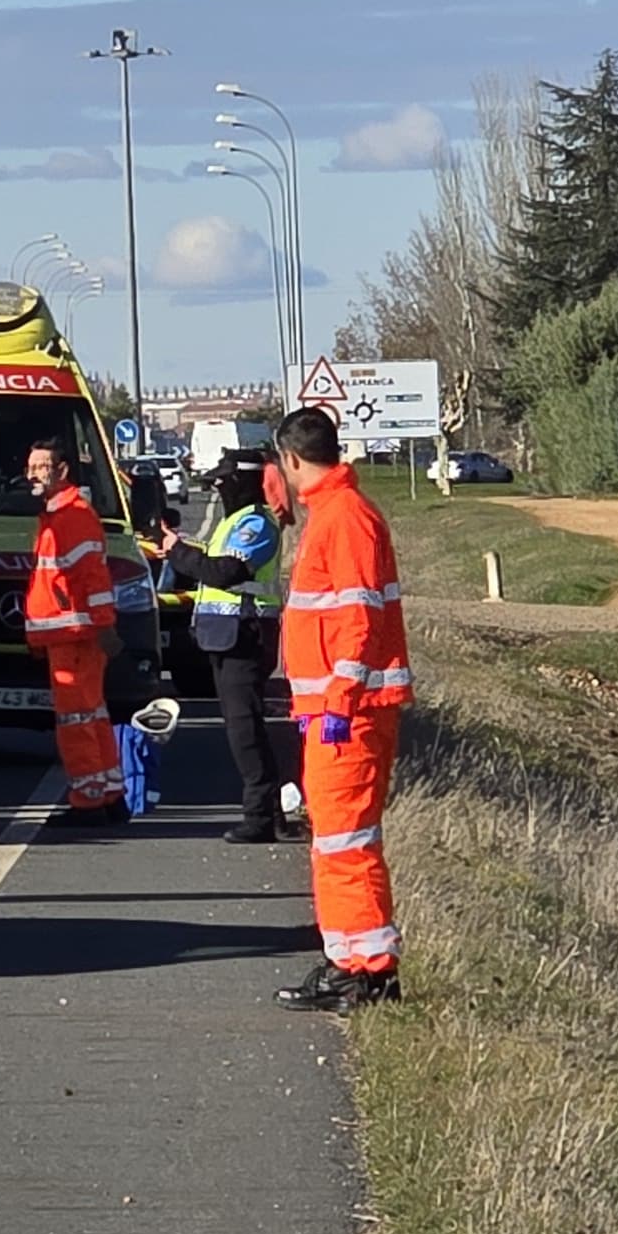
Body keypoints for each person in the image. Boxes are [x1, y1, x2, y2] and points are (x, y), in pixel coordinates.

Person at [272, 404, 409, 1010]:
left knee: (344, 842)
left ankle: (365, 969)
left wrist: (338, 700)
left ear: (292, 459)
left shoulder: (343, 519)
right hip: (338, 710)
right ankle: (354, 961)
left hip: (348, 713)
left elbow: (358, 621)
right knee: (337, 839)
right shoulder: (335, 514)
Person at [151, 451, 290, 843]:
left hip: (245, 633)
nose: (217, 487)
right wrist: (177, 549)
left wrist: (179, 552)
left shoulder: (256, 523)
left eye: (223, 481)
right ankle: (272, 810)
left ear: (243, 483)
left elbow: (223, 572)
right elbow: (212, 564)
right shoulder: (232, 521)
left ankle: (259, 817)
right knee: (241, 726)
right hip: (223, 632)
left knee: (245, 729)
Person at [18, 436, 131, 830]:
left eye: (40, 466)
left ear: (62, 471)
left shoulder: (72, 516)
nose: (31, 474)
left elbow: (92, 578)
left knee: (76, 719)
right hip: (70, 633)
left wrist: (104, 626)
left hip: (76, 635)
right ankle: (110, 794)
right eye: (30, 467)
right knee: (92, 715)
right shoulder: (57, 514)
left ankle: (88, 801)